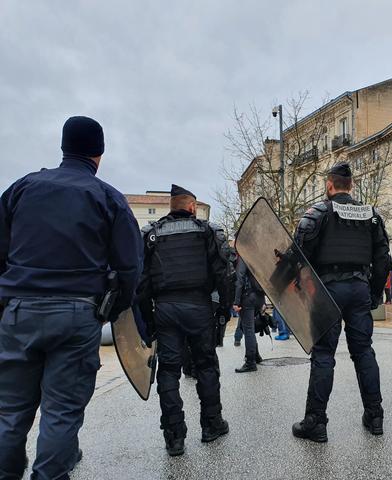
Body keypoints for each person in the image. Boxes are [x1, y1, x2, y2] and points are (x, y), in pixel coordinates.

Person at [0, 116, 142, 479]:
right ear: (99, 154)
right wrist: (114, 308)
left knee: (9, 410)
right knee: (61, 412)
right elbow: (129, 266)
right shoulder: (108, 197)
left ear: (64, 147)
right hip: (77, 313)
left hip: (19, 311)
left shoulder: (21, 188)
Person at [291, 162, 391, 442]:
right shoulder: (370, 215)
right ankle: (375, 416)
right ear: (352, 186)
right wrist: (372, 292)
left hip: (328, 291)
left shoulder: (318, 213)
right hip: (359, 289)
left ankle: (315, 422)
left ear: (329, 185)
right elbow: (383, 259)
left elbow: (299, 255)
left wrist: (301, 293)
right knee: (364, 352)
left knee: (324, 355)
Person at [138, 184, 231, 456]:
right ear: (191, 206)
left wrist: (149, 321)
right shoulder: (207, 231)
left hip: (165, 309)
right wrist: (224, 309)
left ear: (171, 206)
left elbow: (141, 284)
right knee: (206, 366)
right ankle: (212, 425)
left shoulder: (152, 234)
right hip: (199, 307)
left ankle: (174, 437)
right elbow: (223, 273)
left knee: (168, 371)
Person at [233, 256, 266, 372]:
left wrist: (236, 301)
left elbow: (240, 278)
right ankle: (256, 356)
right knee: (249, 328)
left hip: (247, 297)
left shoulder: (244, 255)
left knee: (248, 330)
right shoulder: (258, 255)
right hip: (259, 297)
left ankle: (250, 362)